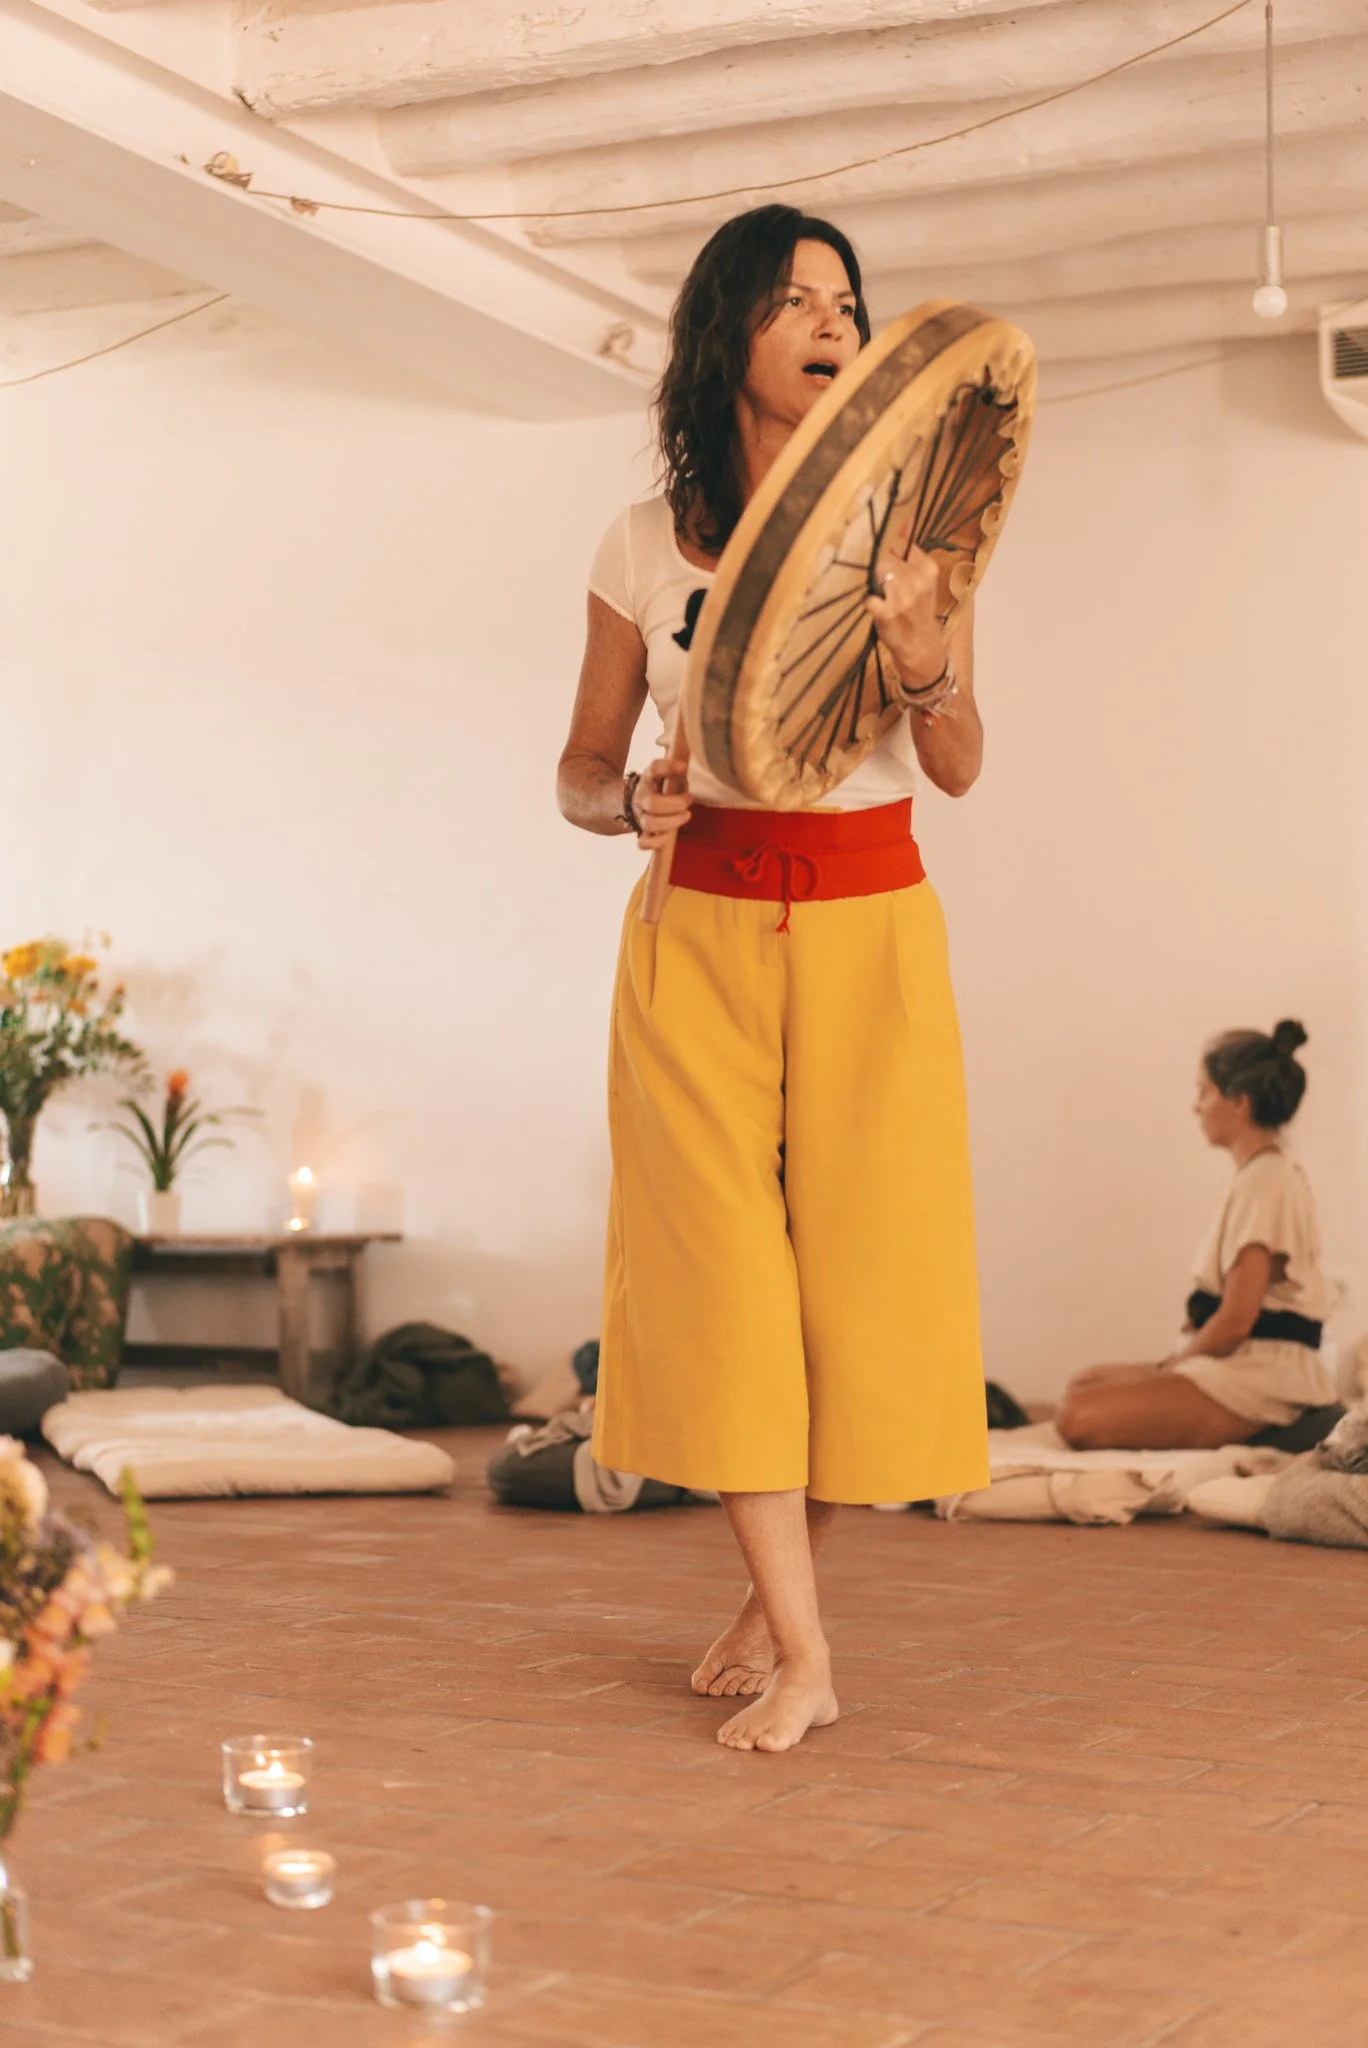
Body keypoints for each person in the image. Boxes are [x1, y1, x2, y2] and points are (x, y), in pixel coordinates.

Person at [556, 204, 990, 1754]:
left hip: (874, 930)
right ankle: (809, 1652)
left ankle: (770, 1595)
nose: (830, 322)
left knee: (867, 1307)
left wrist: (930, 656)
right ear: (729, 333)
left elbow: (957, 766)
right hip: (696, 937)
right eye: (797, 300)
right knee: (726, 1293)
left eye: (847, 302)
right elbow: (579, 771)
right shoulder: (633, 541)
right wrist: (632, 807)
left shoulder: (912, 537)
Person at [1057, 1021, 1335, 1451]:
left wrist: (1170, 1369)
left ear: (1239, 1103)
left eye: (1203, 1092)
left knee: (1078, 1417)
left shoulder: (1267, 1181)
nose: (1196, 1106)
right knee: (1085, 1381)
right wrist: (1169, 1367)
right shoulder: (1261, 1175)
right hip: (1244, 1360)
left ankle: (1264, 1431)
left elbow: (1235, 1322)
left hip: (1266, 1374)